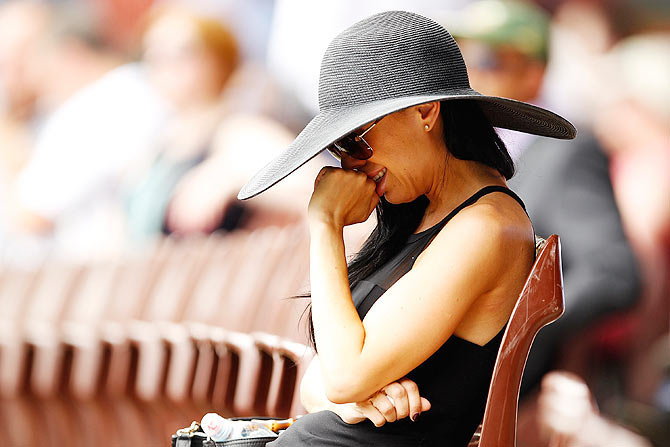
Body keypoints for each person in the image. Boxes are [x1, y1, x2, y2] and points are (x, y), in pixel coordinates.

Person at [238, 11, 575, 446]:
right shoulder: (422, 213)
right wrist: (354, 401)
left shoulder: (487, 226)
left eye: (356, 138)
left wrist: (325, 224)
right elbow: (318, 380)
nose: (349, 163)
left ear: (425, 112)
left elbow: (342, 375)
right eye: (338, 145)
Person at [450, 0, 640, 395]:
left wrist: (519, 327)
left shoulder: (563, 152)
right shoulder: (461, 148)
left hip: (515, 392)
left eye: (486, 59)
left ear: (534, 73)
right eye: (458, 58)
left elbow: (613, 272)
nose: (468, 74)